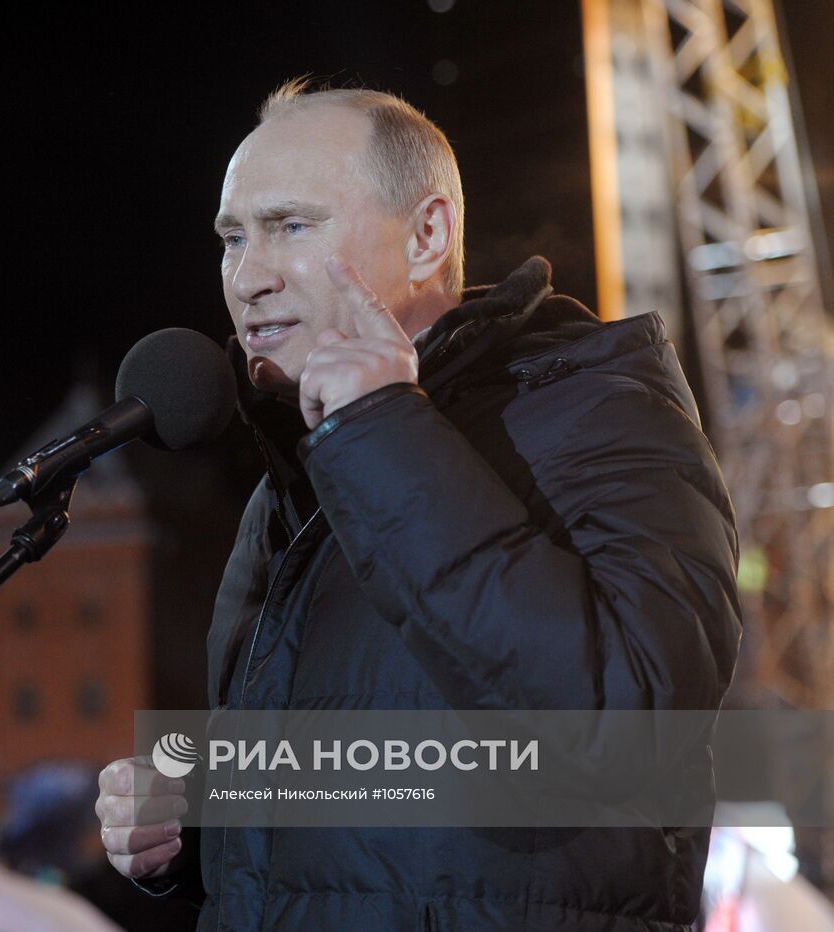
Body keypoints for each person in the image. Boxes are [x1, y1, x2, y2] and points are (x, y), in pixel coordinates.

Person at [93, 78, 742, 930]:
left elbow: (628, 726)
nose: (247, 277)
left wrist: (382, 434)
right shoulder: (294, 486)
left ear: (428, 234)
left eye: (291, 226)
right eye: (231, 239)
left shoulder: (598, 410)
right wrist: (195, 820)